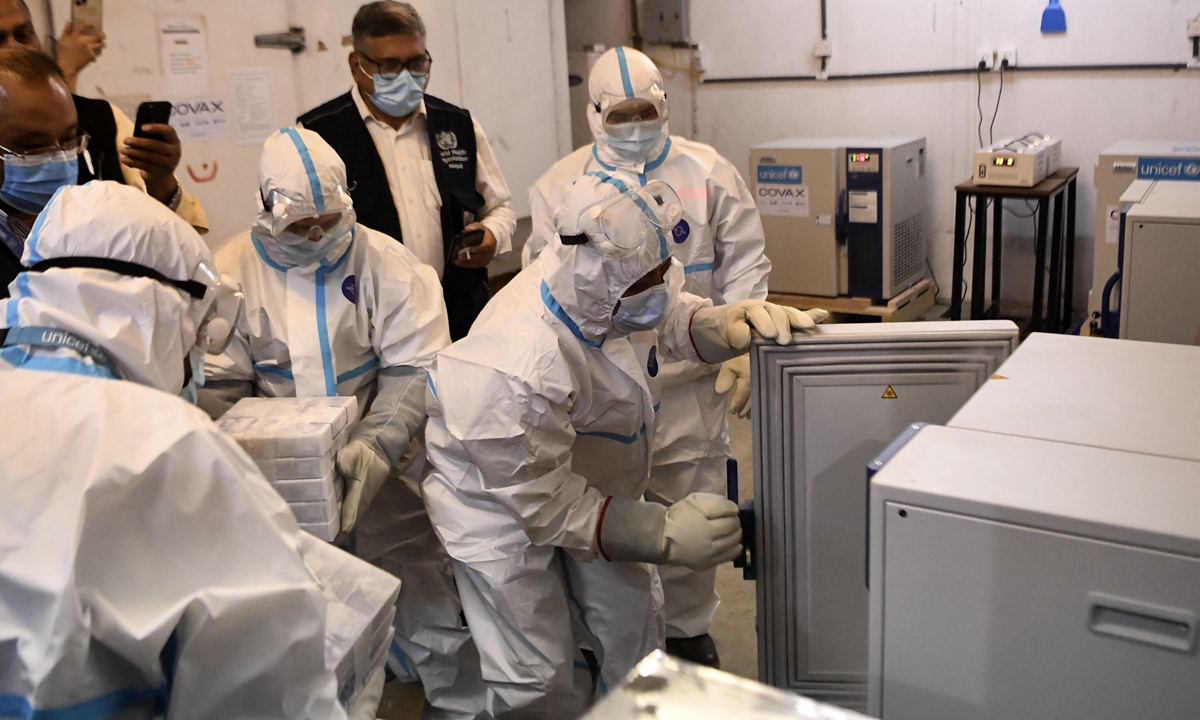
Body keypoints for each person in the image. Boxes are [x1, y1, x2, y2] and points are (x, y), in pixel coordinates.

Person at [422, 174, 825, 718]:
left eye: (664, 270)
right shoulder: (517, 362)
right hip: (496, 504)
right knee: (535, 671)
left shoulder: (610, 287)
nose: (661, 286)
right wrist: (656, 532)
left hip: (590, 480)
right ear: (594, 282)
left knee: (633, 631)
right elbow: (543, 505)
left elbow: (662, 314)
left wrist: (717, 323)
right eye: (648, 280)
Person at [0, 181, 349, 719]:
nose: (195, 362)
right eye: (196, 334)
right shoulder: (169, 445)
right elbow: (268, 688)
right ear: (160, 308)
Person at [199, 127, 487, 720]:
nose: (315, 237)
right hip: (283, 492)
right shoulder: (228, 274)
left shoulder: (388, 263)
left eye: (327, 222)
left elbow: (415, 370)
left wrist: (375, 448)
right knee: (306, 611)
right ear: (265, 209)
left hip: (389, 474)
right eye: (299, 227)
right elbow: (220, 394)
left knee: (422, 593)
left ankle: (458, 705)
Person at [523, 46, 772, 667]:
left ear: (664, 104)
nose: (634, 125)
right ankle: (609, 650)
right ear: (594, 114)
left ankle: (687, 633)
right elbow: (543, 280)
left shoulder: (709, 172)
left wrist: (739, 335)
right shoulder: (559, 186)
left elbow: (745, 263)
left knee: (694, 510)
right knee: (608, 520)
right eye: (620, 115)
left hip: (689, 383)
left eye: (645, 111)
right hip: (601, 390)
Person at [298, 1, 515, 340]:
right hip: (366, 323)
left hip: (458, 315)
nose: (405, 75)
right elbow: (302, 233)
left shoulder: (458, 126)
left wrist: (493, 235)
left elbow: (499, 206)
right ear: (357, 66)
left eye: (416, 62)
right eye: (388, 64)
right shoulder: (318, 135)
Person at [0, 0, 207, 233]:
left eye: (24, 35)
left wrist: (160, 180)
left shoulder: (102, 119)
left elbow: (175, 238)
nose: (14, 49)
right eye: (32, 145)